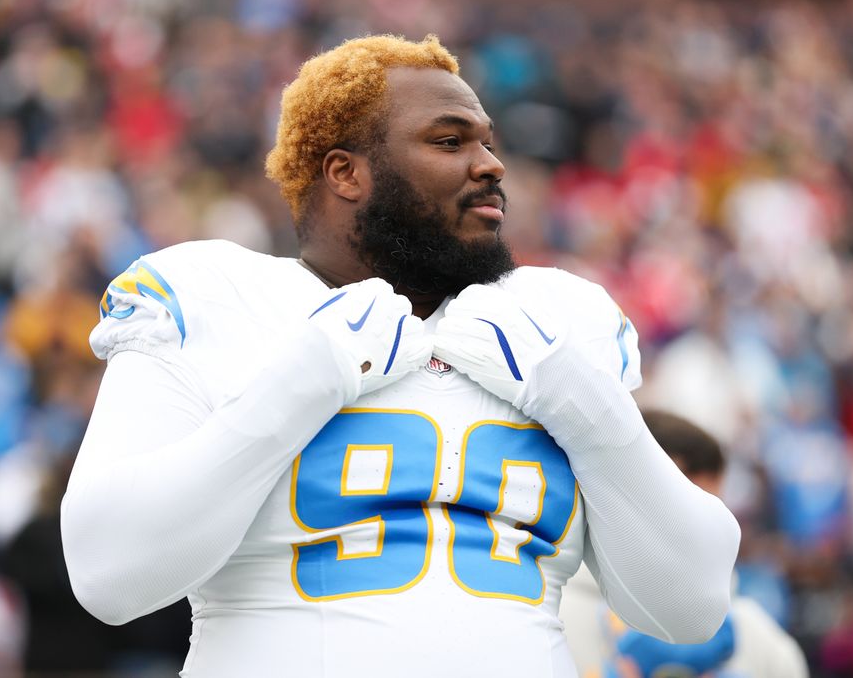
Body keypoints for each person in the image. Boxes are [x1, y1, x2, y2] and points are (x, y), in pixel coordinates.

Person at [60, 34, 740, 677]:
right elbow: (108, 571)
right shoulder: (216, 296)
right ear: (345, 173)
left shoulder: (557, 324)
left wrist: (579, 401)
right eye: (449, 140)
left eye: (487, 142)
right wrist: (304, 380)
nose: (491, 164)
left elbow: (691, 604)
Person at [561, 410, 808, 678]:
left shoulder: (756, 637)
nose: (702, 534)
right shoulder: (553, 614)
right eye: (689, 513)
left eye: (714, 514)